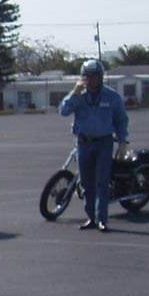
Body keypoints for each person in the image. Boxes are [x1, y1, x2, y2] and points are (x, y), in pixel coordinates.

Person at [59, 59, 129, 232]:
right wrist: (74, 92)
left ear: (101, 77)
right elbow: (63, 111)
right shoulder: (79, 96)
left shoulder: (111, 97)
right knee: (86, 183)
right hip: (84, 143)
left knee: (101, 182)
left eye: (94, 76)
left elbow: (121, 120)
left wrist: (122, 142)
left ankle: (102, 219)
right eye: (87, 76)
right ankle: (91, 217)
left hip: (104, 143)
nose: (91, 80)